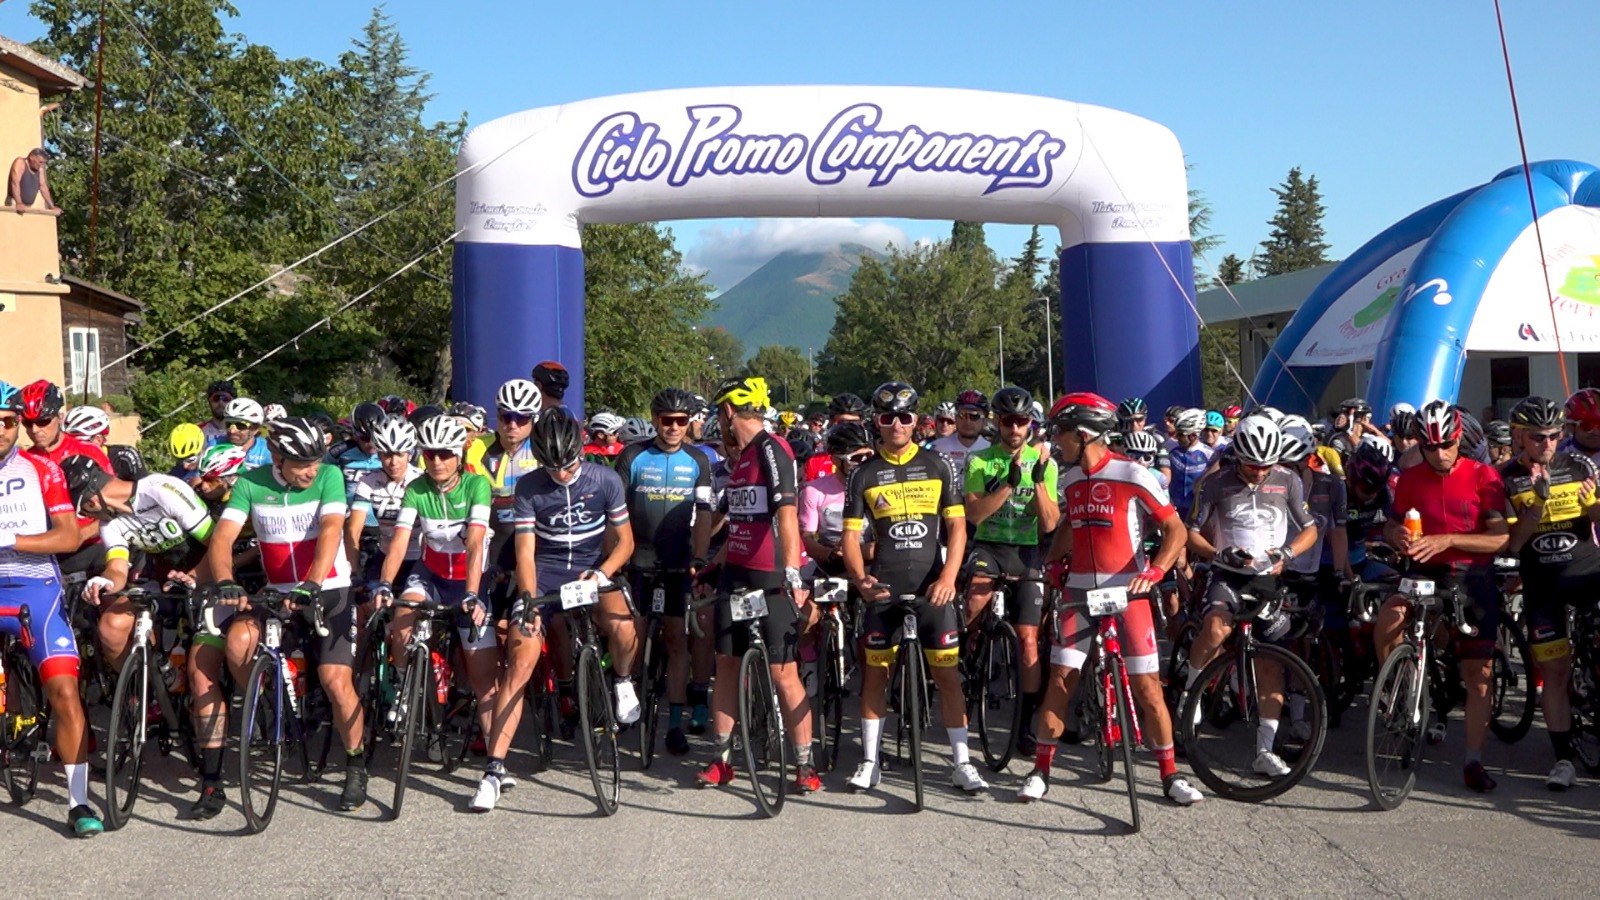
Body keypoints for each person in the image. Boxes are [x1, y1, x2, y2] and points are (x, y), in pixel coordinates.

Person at [1024, 392, 1202, 805]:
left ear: (1083, 435)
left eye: (1061, 434)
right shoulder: (1068, 480)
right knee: (1061, 680)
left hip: (1128, 592)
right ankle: (1041, 769)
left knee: (1147, 688)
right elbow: (1068, 526)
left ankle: (1170, 774)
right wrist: (1053, 563)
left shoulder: (1133, 473)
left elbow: (1175, 530)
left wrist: (1155, 571)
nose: (1056, 441)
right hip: (1079, 592)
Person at [474, 411, 637, 811]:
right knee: (520, 659)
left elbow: (625, 542)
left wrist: (601, 573)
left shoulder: (606, 480)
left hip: (589, 568)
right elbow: (525, 551)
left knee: (623, 626)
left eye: (569, 464)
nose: (562, 474)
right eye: (552, 466)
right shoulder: (529, 486)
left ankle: (622, 680)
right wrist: (527, 599)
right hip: (545, 574)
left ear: (582, 452)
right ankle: (494, 770)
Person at [206, 417, 369, 812]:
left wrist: (312, 582)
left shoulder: (328, 476)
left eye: (315, 460)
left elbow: (331, 529)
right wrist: (226, 581)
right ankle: (268, 703)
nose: (311, 470)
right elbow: (223, 538)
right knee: (239, 642)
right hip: (278, 593)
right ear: (277, 457)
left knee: (335, 681)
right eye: (301, 464)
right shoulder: (250, 483)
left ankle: (355, 763)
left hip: (328, 589)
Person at [840, 380, 987, 794]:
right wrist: (860, 579)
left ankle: (962, 763)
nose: (897, 425)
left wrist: (948, 578)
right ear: (877, 422)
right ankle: (870, 761)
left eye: (905, 417)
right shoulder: (863, 474)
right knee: (875, 674)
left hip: (931, 588)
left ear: (916, 421)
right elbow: (850, 539)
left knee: (948, 678)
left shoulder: (939, 465)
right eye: (888, 418)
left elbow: (957, 528)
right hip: (884, 587)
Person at [1375, 400, 1508, 793]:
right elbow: (1392, 524)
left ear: (1459, 439)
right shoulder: (1412, 477)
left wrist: (1449, 539)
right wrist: (1394, 534)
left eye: (1446, 445)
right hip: (1425, 570)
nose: (1439, 454)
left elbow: (1499, 537)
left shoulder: (1484, 475)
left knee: (1478, 674)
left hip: (1472, 573)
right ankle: (1399, 691)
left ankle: (1473, 759)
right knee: (1388, 618)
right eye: (1429, 447)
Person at [694, 376, 819, 793]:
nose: (718, 420)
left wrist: (792, 575)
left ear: (729, 411)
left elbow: (786, 516)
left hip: (771, 577)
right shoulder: (742, 458)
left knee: (784, 672)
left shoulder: (771, 448)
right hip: (737, 575)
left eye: (719, 413)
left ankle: (804, 766)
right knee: (726, 666)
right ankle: (722, 759)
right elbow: (740, 524)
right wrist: (712, 566)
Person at [1184, 415, 1319, 778]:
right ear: (1237, 456)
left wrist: (1287, 555)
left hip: (1267, 579)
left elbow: (1310, 529)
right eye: (1251, 465)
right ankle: (1190, 699)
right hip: (1228, 572)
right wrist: (1217, 554)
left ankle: (1265, 749)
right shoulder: (1216, 484)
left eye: (1266, 465)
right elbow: (1190, 533)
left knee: (1271, 663)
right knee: (1215, 630)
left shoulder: (1288, 480)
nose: (1260, 472)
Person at [372, 415, 499, 798]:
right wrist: (383, 581)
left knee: (483, 677)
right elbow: (399, 543)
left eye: (445, 454)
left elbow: (475, 543)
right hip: (430, 574)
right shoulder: (415, 488)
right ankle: (402, 684)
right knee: (402, 614)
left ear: (459, 454)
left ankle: (496, 762)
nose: (437, 462)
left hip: (468, 578)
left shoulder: (477, 485)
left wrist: (473, 594)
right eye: (430, 454)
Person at [0, 381, 100, 836]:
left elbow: (69, 537)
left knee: (63, 690)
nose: (2, 430)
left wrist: (11, 541)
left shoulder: (41, 469)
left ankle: (78, 802)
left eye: (8, 422)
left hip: (33, 586)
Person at [1498, 395, 1600, 791]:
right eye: (1539, 437)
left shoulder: (1579, 466)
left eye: (1556, 435)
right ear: (1520, 436)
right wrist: (1537, 505)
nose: (1549, 444)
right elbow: (1513, 543)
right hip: (1543, 586)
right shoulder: (1505, 478)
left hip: (1589, 573)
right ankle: (1563, 760)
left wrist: (1592, 505)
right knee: (1555, 673)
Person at [615, 388, 715, 757]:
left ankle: (674, 723)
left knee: (676, 639)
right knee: (633, 636)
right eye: (666, 420)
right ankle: (626, 692)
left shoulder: (698, 461)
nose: (673, 427)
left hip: (678, 557)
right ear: (655, 420)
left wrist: (701, 557)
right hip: (638, 555)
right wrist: (617, 555)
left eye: (681, 421)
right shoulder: (633, 455)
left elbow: (704, 513)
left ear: (689, 423)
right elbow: (616, 512)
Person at [962, 386, 1059, 755]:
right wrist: (1008, 482)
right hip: (990, 546)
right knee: (974, 602)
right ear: (997, 423)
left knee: (1029, 641)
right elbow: (974, 515)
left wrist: (1034, 480)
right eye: (1008, 421)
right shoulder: (979, 461)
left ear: (1030, 423)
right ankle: (967, 666)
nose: (1015, 428)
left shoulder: (1045, 463)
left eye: (1022, 421)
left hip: (1027, 551)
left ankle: (1024, 725)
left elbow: (1050, 524)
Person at [464, 379, 542, 637]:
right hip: (493, 542)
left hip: (533, 542)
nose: (512, 425)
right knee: (493, 625)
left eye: (521, 419)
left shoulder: (543, 449)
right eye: (505, 416)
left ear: (534, 419)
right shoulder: (476, 448)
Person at [346, 416, 422, 586]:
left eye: (399, 454)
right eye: (387, 455)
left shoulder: (422, 481)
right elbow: (354, 529)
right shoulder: (368, 481)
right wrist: (352, 571)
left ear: (410, 454)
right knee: (365, 603)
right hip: (384, 555)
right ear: (378, 455)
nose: (393, 462)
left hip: (418, 560)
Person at [799, 422, 874, 578]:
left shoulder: (880, 487)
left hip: (872, 563)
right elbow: (807, 538)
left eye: (869, 456)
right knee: (808, 602)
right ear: (835, 460)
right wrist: (830, 554)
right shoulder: (813, 490)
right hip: (832, 565)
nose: (864, 463)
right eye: (857, 458)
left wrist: (853, 550)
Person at [929, 389, 991, 483]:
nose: (968, 421)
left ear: (985, 422)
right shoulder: (937, 448)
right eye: (962, 415)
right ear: (956, 417)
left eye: (974, 416)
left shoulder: (990, 449)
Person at [330, 402, 387, 502]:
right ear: (355, 434)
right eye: (365, 438)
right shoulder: (339, 451)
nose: (371, 443)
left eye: (376, 438)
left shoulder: (390, 453)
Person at [1167, 408, 1213, 521]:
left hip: (1196, 511)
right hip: (1173, 508)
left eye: (1180, 434)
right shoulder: (1170, 448)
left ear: (1192, 435)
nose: (1176, 437)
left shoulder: (1209, 454)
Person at [221, 398, 272, 469]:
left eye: (240, 426)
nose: (232, 431)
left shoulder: (268, 451)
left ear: (255, 429)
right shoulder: (215, 445)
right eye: (228, 424)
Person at [7, 148, 59, 213]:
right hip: (15, 204)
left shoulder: (40, 169)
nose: (41, 165)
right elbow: (15, 183)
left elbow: (43, 187)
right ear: (32, 157)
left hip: (27, 206)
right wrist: (19, 203)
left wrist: (52, 206)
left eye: (43, 163)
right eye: (40, 162)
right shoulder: (20, 163)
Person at [198, 380, 236, 446]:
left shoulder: (243, 430)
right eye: (216, 398)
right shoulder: (198, 431)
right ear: (209, 402)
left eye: (225, 399)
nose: (220, 402)